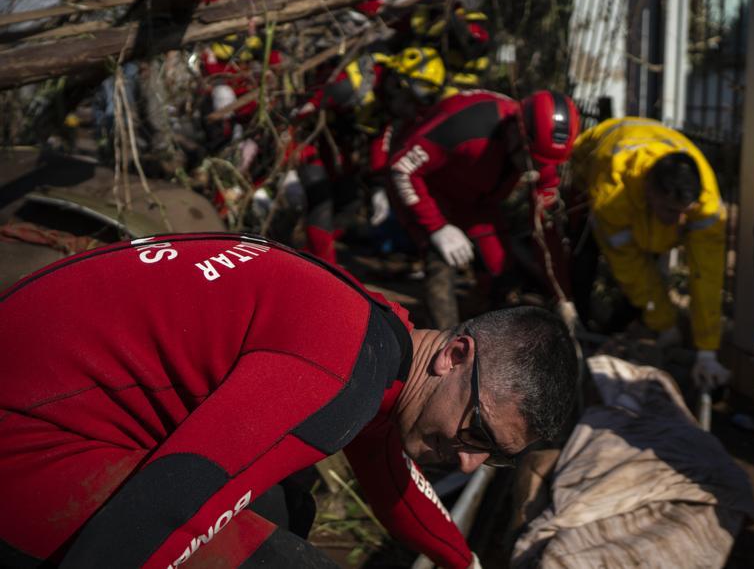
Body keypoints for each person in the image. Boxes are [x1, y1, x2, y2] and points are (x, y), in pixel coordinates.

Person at [0, 232, 578, 568]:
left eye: (494, 457)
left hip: (53, 395)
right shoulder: (337, 369)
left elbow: (391, 475)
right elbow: (167, 506)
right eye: (477, 432)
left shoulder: (379, 335)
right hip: (25, 436)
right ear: (455, 355)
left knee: (283, 504)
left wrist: (465, 563)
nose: (470, 462)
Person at [386, 89, 580, 332]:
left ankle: (478, 333)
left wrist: (562, 296)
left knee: (502, 273)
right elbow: (402, 167)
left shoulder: (542, 161)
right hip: (428, 191)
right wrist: (437, 227)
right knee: (440, 263)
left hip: (477, 202)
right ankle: (438, 342)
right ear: (517, 134)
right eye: (534, 160)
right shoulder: (467, 126)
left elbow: (545, 232)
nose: (539, 169)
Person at [569, 118, 731, 392]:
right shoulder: (611, 191)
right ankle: (580, 333)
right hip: (592, 163)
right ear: (649, 191)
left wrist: (707, 350)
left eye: (684, 212)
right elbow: (630, 266)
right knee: (583, 259)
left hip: (644, 151)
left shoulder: (705, 203)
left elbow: (708, 275)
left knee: (650, 261)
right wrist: (664, 322)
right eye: (670, 210)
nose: (679, 220)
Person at [293, 47, 451, 264]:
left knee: (350, 201)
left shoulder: (385, 100)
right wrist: (287, 160)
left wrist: (378, 185)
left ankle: (305, 255)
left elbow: (378, 136)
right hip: (307, 139)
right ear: (396, 84)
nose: (409, 109)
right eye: (409, 101)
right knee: (321, 201)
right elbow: (294, 117)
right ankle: (323, 266)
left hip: (336, 144)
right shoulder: (347, 86)